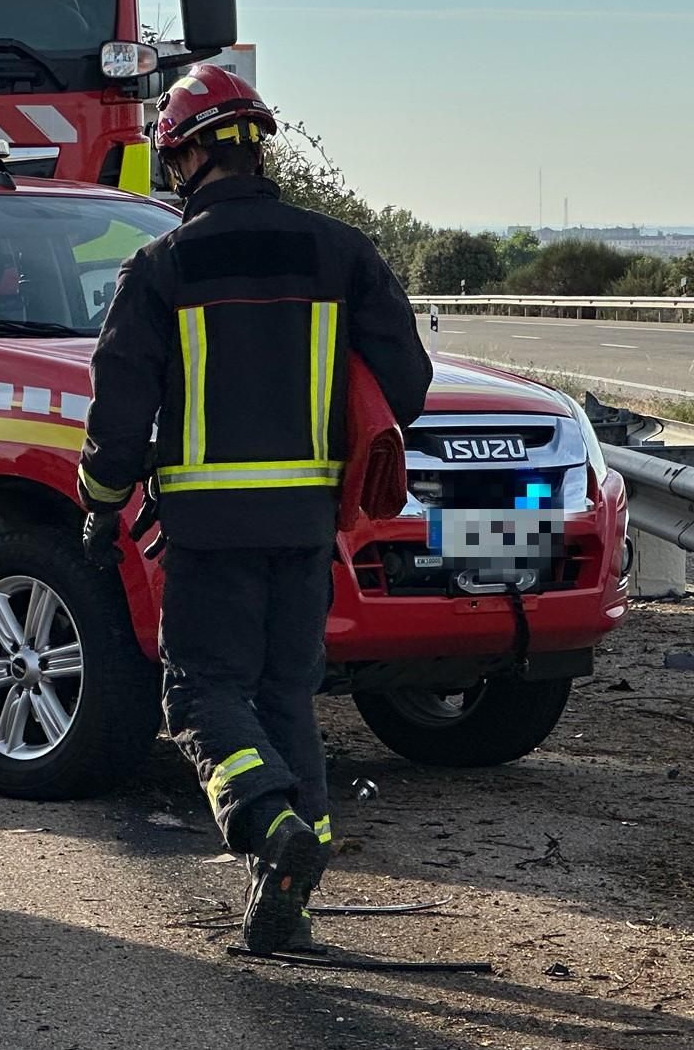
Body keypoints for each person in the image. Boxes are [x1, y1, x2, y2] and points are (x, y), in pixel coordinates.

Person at [75, 65, 432, 953]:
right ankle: (288, 899)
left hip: (205, 529)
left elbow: (118, 414)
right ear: (254, 144)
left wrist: (98, 503)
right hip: (308, 526)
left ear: (189, 154)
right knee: (286, 697)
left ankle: (267, 825)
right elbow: (410, 383)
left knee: (201, 694)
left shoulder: (159, 266)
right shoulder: (340, 251)